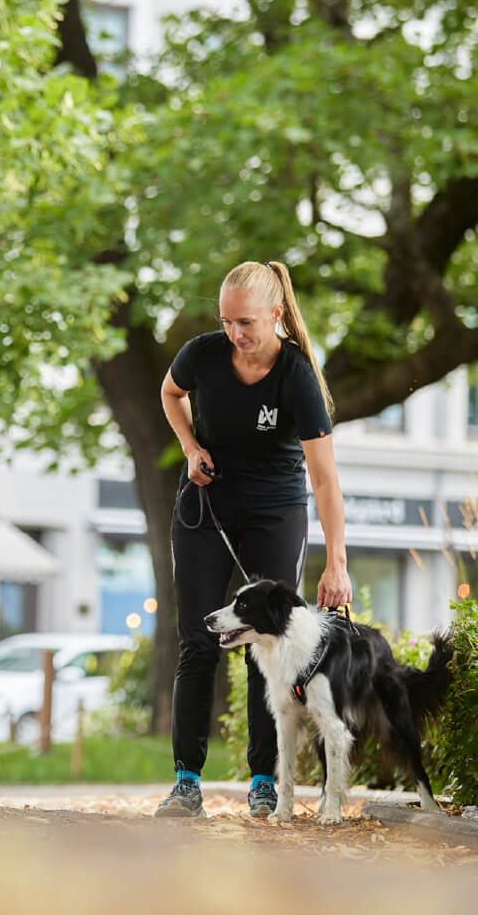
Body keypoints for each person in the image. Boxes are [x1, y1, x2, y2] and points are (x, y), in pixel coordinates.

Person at [155, 260, 352, 818]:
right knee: (198, 642)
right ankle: (186, 782)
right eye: (226, 322)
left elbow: (325, 479)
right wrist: (192, 448)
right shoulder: (202, 355)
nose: (235, 335)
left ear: (277, 314)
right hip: (206, 506)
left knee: (266, 645)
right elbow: (171, 394)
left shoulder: (296, 375)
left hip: (274, 511)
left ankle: (263, 780)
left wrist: (336, 565)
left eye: (246, 323)